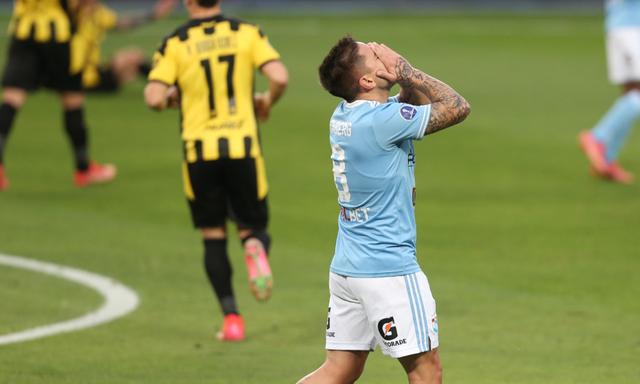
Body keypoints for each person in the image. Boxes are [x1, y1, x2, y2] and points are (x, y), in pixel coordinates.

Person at [298, 37, 470, 384]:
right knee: (426, 369)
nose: (382, 50)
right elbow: (457, 105)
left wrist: (400, 77)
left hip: (348, 266)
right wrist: (407, 69)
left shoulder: (347, 115)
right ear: (365, 81)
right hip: (387, 269)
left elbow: (409, 103)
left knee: (340, 368)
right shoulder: (383, 121)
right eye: (373, 54)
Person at [144, 0, 288, 342]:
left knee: (212, 234)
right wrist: (267, 100)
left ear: (187, 2)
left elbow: (152, 96)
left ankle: (232, 320)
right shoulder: (245, 33)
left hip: (199, 153)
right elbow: (279, 76)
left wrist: (170, 97)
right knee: (253, 226)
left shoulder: (175, 43)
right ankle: (254, 245)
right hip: (243, 147)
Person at [0, 0, 115, 190]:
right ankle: (83, 168)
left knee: (11, 99)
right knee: (72, 100)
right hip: (58, 35)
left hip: (23, 31)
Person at [579, 0, 640, 184]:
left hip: (621, 25)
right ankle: (598, 136)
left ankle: (606, 161)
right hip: (631, 28)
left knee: (630, 93)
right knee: (635, 94)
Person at [75, 0, 177, 93]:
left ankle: (163, 84)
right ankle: (165, 84)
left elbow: (121, 23)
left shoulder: (98, 13)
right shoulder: (73, 14)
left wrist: (153, 15)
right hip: (86, 79)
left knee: (131, 61)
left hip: (93, 73)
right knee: (133, 58)